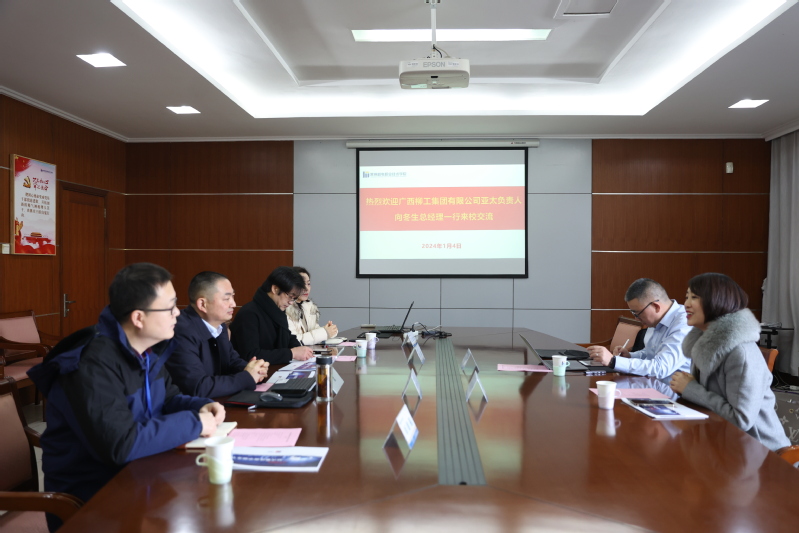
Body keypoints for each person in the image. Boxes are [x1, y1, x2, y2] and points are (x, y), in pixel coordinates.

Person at [28, 263, 225, 531]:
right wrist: (196, 423)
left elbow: (169, 399)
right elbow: (120, 445)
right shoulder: (91, 364)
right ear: (138, 318)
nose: (178, 313)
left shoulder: (146, 351)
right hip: (93, 499)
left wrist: (203, 405)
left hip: (142, 477)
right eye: (169, 307)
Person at [670, 273, 790, 452]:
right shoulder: (703, 341)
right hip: (719, 440)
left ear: (717, 301)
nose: (686, 303)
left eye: (694, 297)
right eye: (686, 296)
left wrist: (690, 389)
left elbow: (741, 419)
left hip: (759, 452)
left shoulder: (740, 352)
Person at [166, 271, 269, 397]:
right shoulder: (180, 331)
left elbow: (231, 361)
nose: (233, 304)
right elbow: (198, 387)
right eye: (227, 299)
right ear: (202, 304)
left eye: (233, 297)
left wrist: (255, 369)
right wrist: (247, 377)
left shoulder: (219, 325)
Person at [588, 278, 692, 382]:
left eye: (637, 313)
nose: (636, 318)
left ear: (656, 307)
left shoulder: (684, 323)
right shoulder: (656, 320)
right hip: (650, 383)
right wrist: (630, 356)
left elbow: (660, 368)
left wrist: (613, 361)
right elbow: (650, 353)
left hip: (671, 389)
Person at [230, 266, 314, 364]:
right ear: (275, 289)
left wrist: (300, 349)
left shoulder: (277, 311)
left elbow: (287, 337)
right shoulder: (249, 314)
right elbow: (251, 355)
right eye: (290, 296)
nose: (291, 302)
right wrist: (291, 353)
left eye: (294, 298)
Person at [286, 266, 338, 345]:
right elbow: (294, 341)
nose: (306, 288)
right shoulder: (286, 308)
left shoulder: (309, 307)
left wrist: (328, 330)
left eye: (308, 284)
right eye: (301, 284)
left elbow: (313, 332)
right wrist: (324, 332)